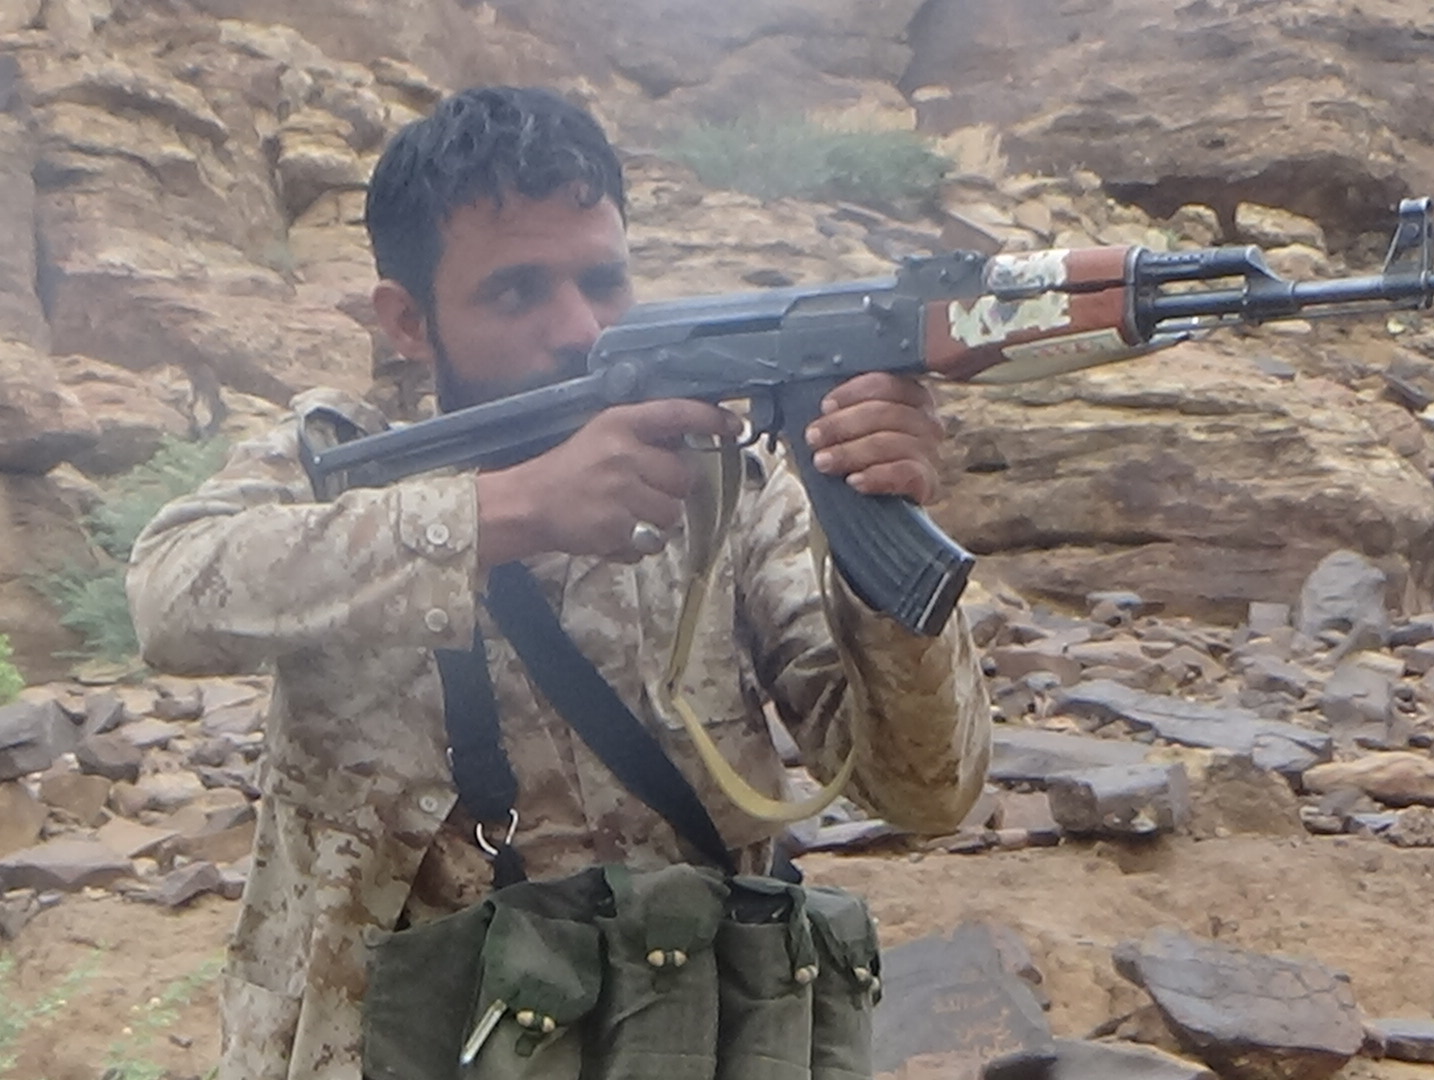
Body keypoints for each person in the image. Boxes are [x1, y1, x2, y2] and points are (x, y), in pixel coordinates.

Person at [127, 85, 991, 1080]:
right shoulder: (334, 468)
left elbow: (927, 793)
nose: (579, 327)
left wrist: (875, 520)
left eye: (604, 281)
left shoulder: (730, 492)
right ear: (408, 320)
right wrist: (508, 511)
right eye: (517, 292)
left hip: (689, 1043)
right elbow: (168, 595)